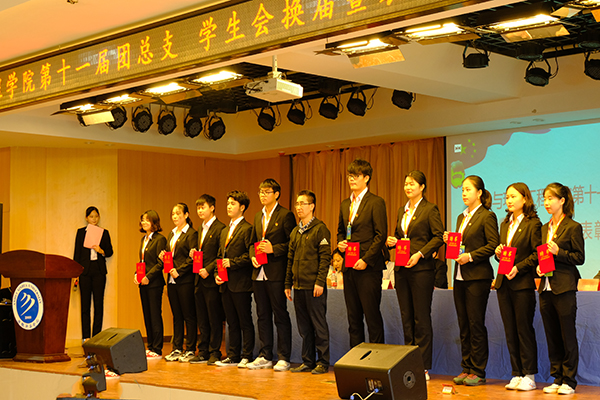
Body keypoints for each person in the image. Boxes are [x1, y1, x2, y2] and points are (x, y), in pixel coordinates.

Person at [386, 170, 443, 381]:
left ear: (422, 187)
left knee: (421, 317)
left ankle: (423, 366)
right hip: (402, 270)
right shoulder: (402, 210)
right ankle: (409, 362)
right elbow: (401, 235)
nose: (408, 187)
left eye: (412, 183)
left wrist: (420, 254)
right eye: (406, 184)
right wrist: (393, 241)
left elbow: (438, 237)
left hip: (421, 270)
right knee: (406, 318)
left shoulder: (430, 209)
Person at [444, 175, 499, 386]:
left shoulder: (487, 216)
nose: (464, 193)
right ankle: (466, 367)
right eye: (462, 190)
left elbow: (493, 245)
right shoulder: (461, 217)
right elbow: (462, 245)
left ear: (480, 193)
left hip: (478, 277)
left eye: (468, 189)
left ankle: (478, 370)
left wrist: (471, 256)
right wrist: (451, 242)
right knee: (464, 324)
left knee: (476, 324)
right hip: (460, 276)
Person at [537, 183, 584, 395]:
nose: (546, 202)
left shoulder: (573, 227)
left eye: (550, 198)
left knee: (567, 335)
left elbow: (579, 257)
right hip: (545, 287)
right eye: (544, 199)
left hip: (564, 287)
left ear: (562, 200)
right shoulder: (543, 229)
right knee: (552, 334)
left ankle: (569, 380)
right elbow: (541, 255)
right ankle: (556, 377)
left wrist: (559, 252)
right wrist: (539, 267)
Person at [493, 183, 541, 391]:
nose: (509, 200)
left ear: (525, 198)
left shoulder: (533, 223)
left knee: (523, 329)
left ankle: (529, 375)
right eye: (507, 197)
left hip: (522, 284)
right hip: (504, 283)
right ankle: (516, 373)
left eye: (513, 196)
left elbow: (536, 254)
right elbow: (505, 254)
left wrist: (518, 268)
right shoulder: (505, 223)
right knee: (510, 330)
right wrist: (498, 253)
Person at [337, 159, 388, 347]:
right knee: (353, 318)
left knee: (372, 316)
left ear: (366, 178)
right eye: (350, 176)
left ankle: (376, 358)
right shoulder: (345, 204)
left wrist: (366, 259)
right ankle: (355, 358)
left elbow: (380, 235)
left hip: (369, 268)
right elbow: (341, 230)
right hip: (349, 266)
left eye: (356, 176)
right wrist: (341, 243)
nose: (351, 179)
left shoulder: (376, 202)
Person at [248, 178, 296, 371]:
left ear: (276, 194)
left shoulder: (285, 215)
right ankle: (265, 354)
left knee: (280, 314)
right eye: (260, 192)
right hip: (258, 272)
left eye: (266, 192)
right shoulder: (257, 216)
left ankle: (284, 357)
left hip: (276, 272)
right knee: (262, 315)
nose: (262, 195)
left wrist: (273, 249)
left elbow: (292, 243)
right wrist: (253, 256)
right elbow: (252, 242)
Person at [285, 190, 331, 375]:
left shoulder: (320, 229)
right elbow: (290, 259)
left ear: (312, 206)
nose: (298, 207)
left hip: (314, 287)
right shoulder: (295, 231)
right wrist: (287, 284)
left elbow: (325, 258)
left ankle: (323, 362)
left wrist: (320, 282)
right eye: (297, 204)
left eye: (302, 204)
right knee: (304, 328)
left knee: (318, 326)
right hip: (299, 286)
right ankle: (308, 361)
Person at [215, 191, 255, 368]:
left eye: (233, 203)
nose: (229, 206)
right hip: (225, 283)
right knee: (231, 322)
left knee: (244, 321)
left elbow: (249, 255)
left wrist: (233, 263)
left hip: (241, 283)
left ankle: (247, 355)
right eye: (228, 203)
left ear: (242, 207)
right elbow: (219, 255)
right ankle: (233, 355)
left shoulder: (247, 229)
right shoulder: (224, 230)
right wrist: (217, 274)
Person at [188, 194, 226, 365]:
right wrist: (194, 255)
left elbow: (220, 254)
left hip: (211, 280)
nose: (200, 211)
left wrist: (209, 269)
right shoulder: (200, 228)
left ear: (212, 208)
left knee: (214, 317)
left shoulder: (220, 228)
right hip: (199, 279)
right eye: (198, 208)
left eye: (203, 207)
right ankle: (202, 350)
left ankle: (214, 351)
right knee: (201, 318)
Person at [160, 203, 198, 362]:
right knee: (176, 316)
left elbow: (193, 258)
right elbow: (170, 256)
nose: (175, 216)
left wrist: (180, 271)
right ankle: (176, 348)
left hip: (185, 279)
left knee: (189, 315)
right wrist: (164, 257)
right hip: (171, 279)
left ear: (186, 215)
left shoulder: (191, 233)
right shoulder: (171, 233)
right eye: (173, 214)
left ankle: (190, 349)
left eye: (178, 213)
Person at [74, 206, 114, 342]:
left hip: (99, 272)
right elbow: (77, 254)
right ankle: (86, 337)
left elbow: (110, 251)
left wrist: (101, 250)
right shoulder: (81, 232)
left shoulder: (104, 232)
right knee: (85, 305)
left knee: (98, 304)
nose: (94, 219)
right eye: (91, 216)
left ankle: (97, 336)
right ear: (86, 218)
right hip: (84, 272)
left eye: (96, 216)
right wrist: (76, 273)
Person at [134, 210, 167, 359]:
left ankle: (157, 348)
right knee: (147, 314)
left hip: (154, 283)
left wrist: (148, 276)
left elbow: (161, 263)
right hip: (143, 283)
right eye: (142, 220)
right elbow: (142, 261)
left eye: (147, 220)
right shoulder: (144, 239)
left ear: (154, 222)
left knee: (155, 314)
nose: (144, 222)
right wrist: (137, 274)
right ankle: (151, 345)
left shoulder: (160, 239)